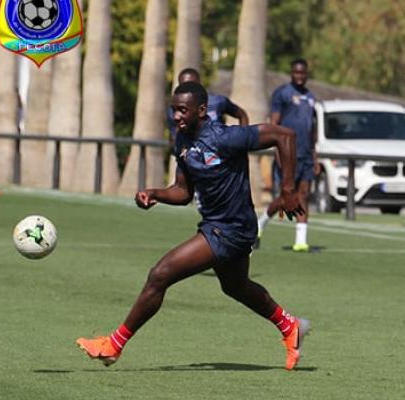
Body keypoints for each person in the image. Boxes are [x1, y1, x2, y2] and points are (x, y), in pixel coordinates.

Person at [76, 82, 311, 371]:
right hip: (218, 226)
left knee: (160, 274)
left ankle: (113, 345)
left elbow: (284, 135)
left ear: (201, 111)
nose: (176, 116)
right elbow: (182, 191)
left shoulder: (225, 137)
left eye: (182, 111)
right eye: (173, 110)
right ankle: (290, 326)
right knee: (235, 287)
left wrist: (288, 190)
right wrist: (156, 194)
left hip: (230, 229)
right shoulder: (183, 142)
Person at [255, 58, 318, 252]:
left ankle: (301, 240)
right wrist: (279, 152)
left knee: (303, 194)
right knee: (285, 197)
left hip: (306, 154)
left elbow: (312, 129)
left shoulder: (311, 97)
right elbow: (275, 125)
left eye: (303, 73)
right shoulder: (282, 94)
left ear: (306, 74)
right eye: (296, 73)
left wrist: (315, 156)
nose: (299, 76)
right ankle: (259, 225)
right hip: (288, 153)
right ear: (291, 73)